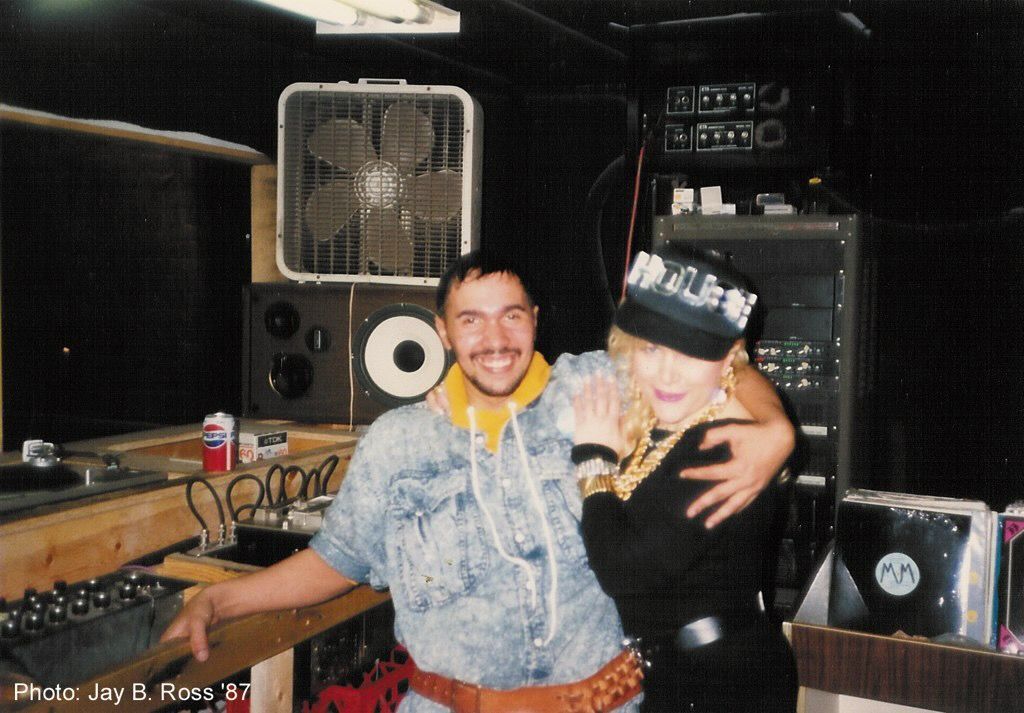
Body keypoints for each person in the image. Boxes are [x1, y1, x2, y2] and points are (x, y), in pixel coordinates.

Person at [161, 250, 794, 712]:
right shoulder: (399, 440)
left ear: (536, 320)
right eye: (471, 320)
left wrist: (774, 427)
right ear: (442, 331)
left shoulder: (596, 387)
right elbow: (339, 560)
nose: (495, 339)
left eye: (512, 317)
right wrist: (220, 601)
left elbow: (713, 362)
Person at [571, 246, 798, 712]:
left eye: (691, 353)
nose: (667, 372)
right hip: (679, 675)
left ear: (729, 360)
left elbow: (623, 572)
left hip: (718, 687)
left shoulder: (725, 443)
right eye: (652, 348)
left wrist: (593, 461)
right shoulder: (666, 416)